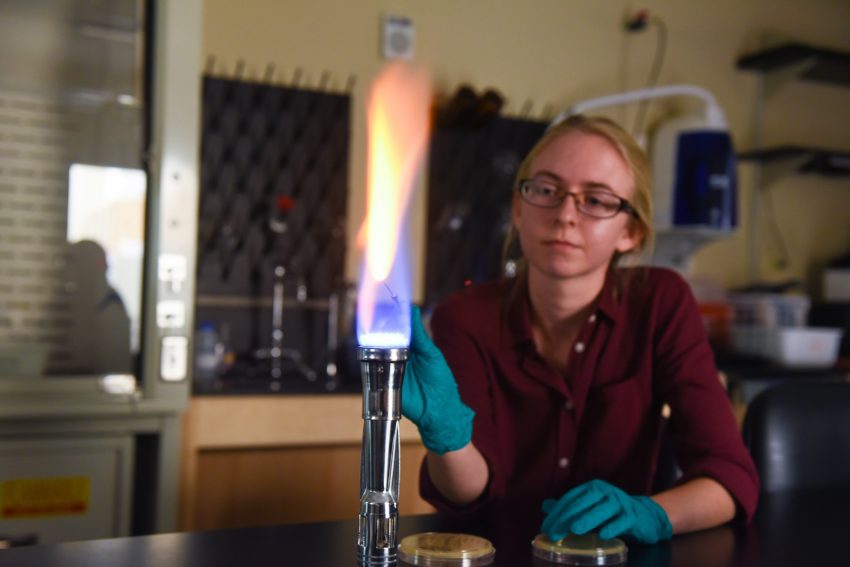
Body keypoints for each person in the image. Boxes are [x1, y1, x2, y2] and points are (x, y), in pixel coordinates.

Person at [401, 114, 759, 549]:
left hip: (614, 556)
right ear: (518, 208)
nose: (566, 215)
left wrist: (654, 514)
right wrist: (449, 438)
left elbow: (731, 477)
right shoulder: (465, 316)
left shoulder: (661, 302)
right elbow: (468, 491)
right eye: (547, 191)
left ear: (630, 231)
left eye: (597, 199)